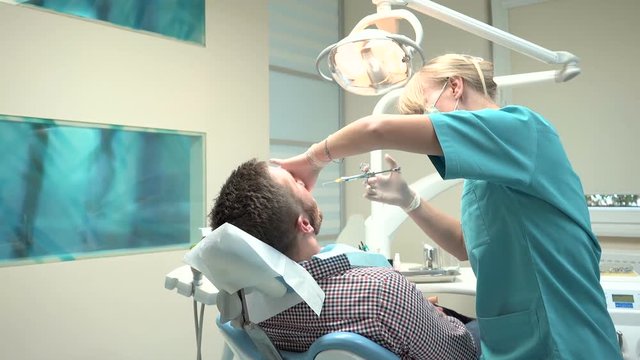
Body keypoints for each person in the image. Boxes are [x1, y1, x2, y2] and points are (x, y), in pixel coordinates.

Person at [271, 54, 622, 359]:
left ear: (454, 86)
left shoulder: (522, 129)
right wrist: (408, 200)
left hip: (563, 336)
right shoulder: (481, 177)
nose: (427, 119)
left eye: (426, 108)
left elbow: (377, 128)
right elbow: (466, 246)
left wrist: (312, 159)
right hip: (511, 341)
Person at [209, 159, 480, 360]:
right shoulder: (382, 291)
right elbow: (462, 354)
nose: (304, 181)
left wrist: (413, 309)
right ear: (304, 224)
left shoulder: (245, 308)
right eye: (296, 183)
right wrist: (423, 312)